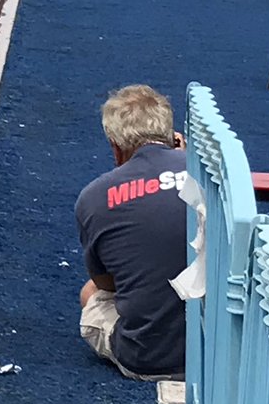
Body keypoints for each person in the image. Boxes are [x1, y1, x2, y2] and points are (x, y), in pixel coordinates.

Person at [76, 85, 188, 381]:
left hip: (146, 358)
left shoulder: (94, 197)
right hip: (219, 354)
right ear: (172, 135)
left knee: (90, 292)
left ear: (116, 146)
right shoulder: (209, 176)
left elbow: (106, 284)